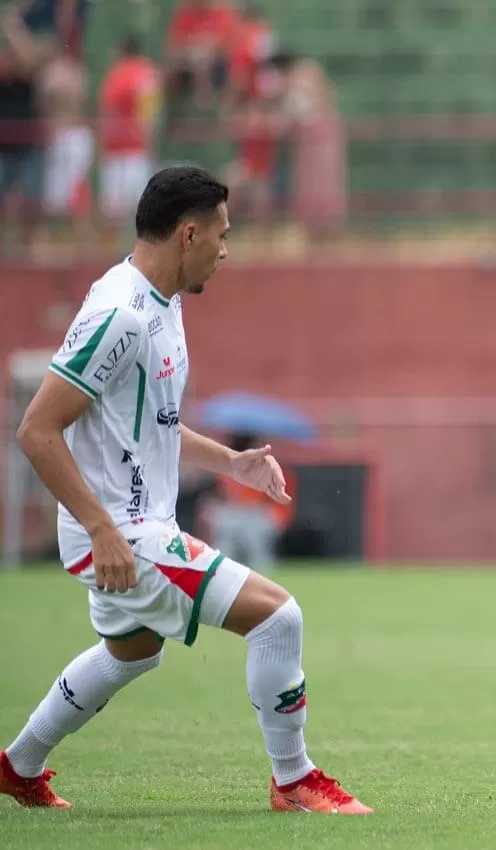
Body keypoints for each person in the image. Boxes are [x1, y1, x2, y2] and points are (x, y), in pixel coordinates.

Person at [0, 166, 372, 815]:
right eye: (222, 235)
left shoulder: (163, 302)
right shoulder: (121, 315)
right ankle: (294, 781)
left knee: (132, 654)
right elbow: (36, 430)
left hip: (131, 525)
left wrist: (232, 463)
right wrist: (101, 529)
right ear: (188, 234)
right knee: (278, 618)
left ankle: (17, 766)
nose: (226, 250)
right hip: (123, 531)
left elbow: (153, 425)